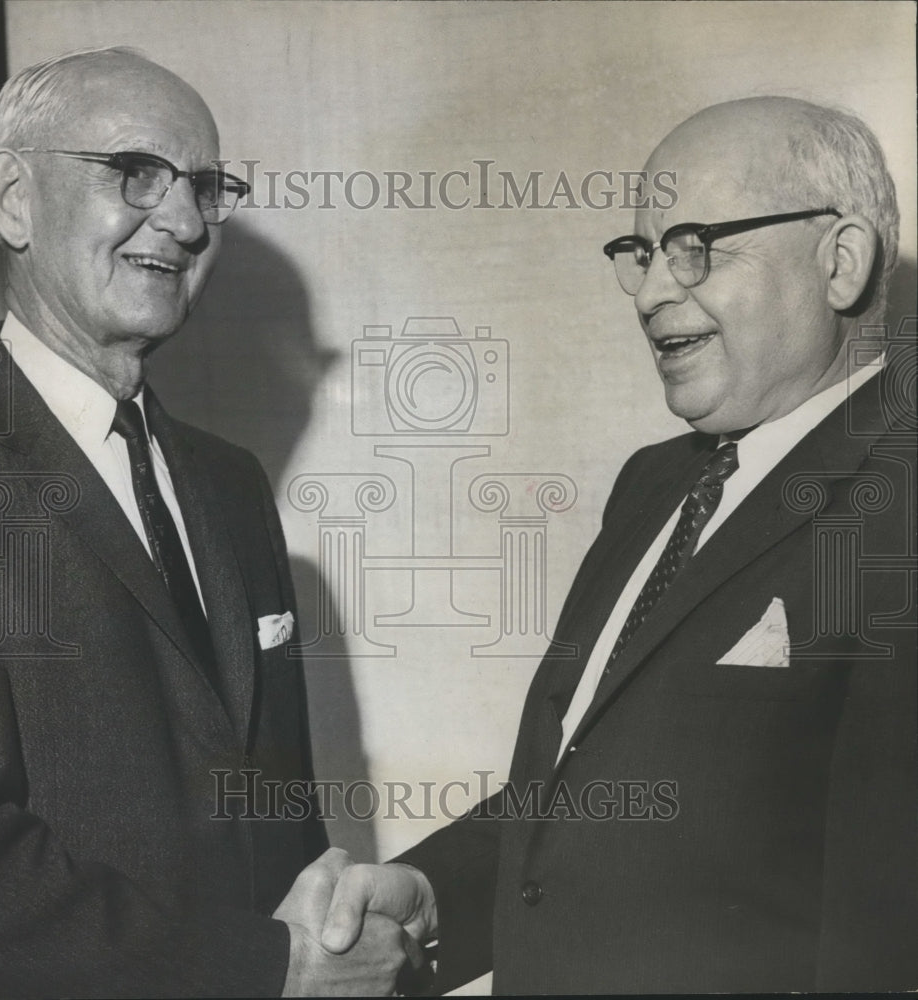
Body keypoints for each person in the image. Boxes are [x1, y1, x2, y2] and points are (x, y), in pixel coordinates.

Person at [317, 96, 918, 993]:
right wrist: (434, 892)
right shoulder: (655, 484)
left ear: (840, 262)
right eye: (640, 255)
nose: (648, 292)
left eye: (696, 246)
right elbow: (583, 795)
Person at [0, 47, 413, 997]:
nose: (187, 222)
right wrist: (269, 969)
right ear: (12, 199)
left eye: (204, 186)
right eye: (137, 174)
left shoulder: (227, 486)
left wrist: (338, 924)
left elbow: (280, 819)